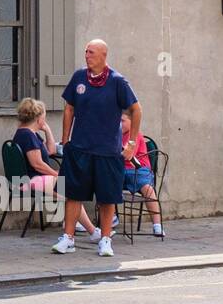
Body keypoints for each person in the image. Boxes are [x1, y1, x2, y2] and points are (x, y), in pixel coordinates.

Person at [53, 39, 141, 258]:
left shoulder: (117, 81)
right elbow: (69, 108)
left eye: (91, 52)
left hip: (108, 151)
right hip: (80, 148)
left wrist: (130, 143)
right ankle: (68, 238)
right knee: (73, 194)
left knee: (107, 197)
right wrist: (66, 140)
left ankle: (105, 239)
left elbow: (136, 110)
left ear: (103, 55)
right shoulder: (79, 77)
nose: (87, 55)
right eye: (85, 51)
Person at [13, 97, 99, 236]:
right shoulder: (28, 136)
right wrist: (56, 174)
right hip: (31, 180)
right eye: (44, 118)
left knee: (72, 185)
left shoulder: (27, 133)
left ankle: (72, 221)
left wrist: (47, 130)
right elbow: (38, 164)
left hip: (34, 178)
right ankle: (92, 231)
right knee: (72, 191)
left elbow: (51, 151)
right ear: (38, 118)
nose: (44, 121)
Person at [121, 112, 163, 237]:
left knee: (147, 188)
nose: (119, 124)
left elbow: (128, 154)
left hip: (138, 170)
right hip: (121, 171)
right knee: (104, 183)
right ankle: (111, 218)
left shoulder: (135, 136)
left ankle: (157, 225)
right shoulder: (116, 135)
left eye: (122, 120)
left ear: (132, 122)